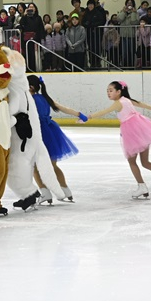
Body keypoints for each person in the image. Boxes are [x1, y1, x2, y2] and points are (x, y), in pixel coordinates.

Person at [80, 81, 151, 199]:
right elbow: (141, 104)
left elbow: (103, 112)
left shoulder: (118, 103)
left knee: (132, 162)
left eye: (111, 90)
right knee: (145, 162)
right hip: (142, 129)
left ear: (119, 91)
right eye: (107, 90)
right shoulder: (127, 100)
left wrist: (87, 117)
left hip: (132, 131)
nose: (108, 93)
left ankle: (142, 186)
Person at [27, 75, 84, 204]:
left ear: (30, 87)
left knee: (35, 166)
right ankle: (66, 191)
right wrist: (80, 115)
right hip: (51, 130)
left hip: (39, 133)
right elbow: (64, 108)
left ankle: (45, 193)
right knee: (53, 166)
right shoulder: (45, 98)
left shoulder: (29, 100)